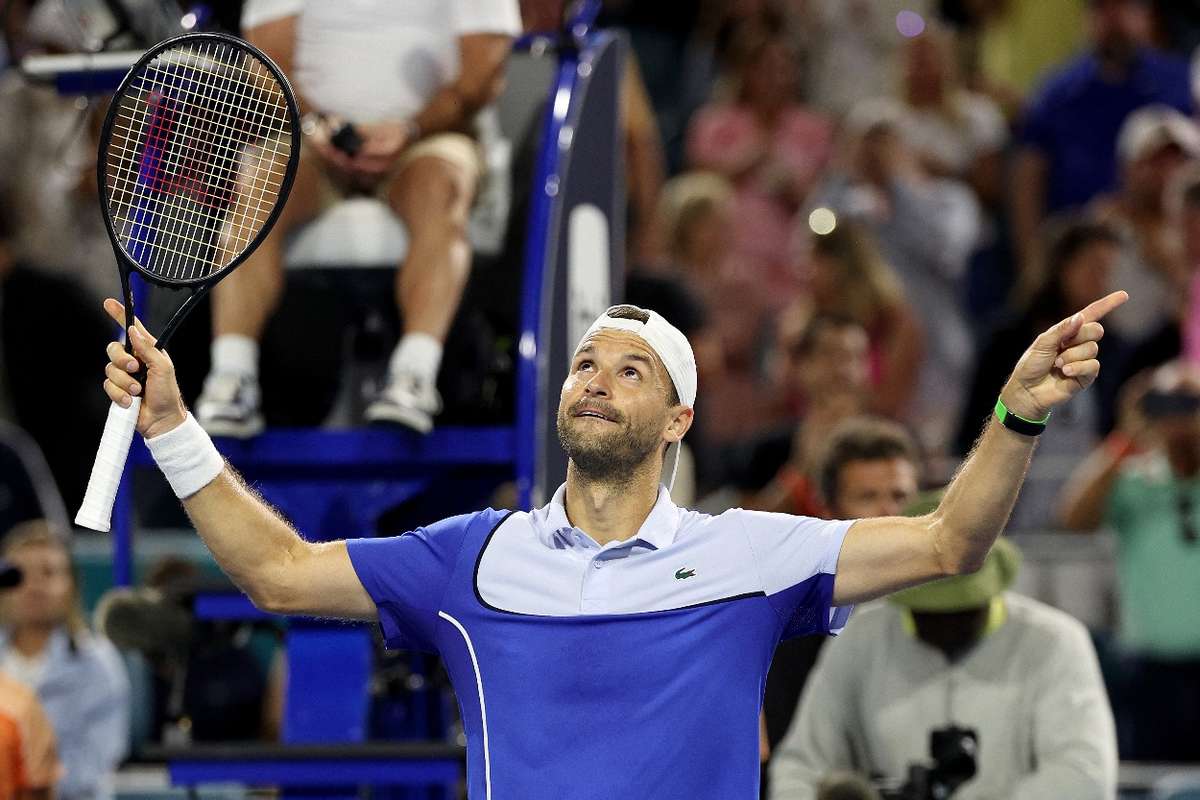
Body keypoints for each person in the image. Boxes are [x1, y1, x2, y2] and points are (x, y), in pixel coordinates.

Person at [97, 284, 1126, 797]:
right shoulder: (472, 555)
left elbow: (950, 539)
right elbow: (276, 574)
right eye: (586, 362)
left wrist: (1019, 411)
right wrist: (174, 431)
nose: (594, 377)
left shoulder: (753, 554)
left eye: (630, 369)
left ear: (678, 419)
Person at [196, 0, 521, 437]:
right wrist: (318, 126)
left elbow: (484, 70)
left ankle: (413, 377)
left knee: (442, 184)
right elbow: (266, 60)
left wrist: (410, 129)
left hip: (429, 139)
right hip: (314, 141)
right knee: (257, 181)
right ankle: (232, 378)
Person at [767, 538, 1118, 799]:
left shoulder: (1055, 640)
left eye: (962, 608)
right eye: (932, 612)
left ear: (990, 592)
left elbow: (1083, 776)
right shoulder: (860, 638)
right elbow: (799, 767)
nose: (948, 623)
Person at [761, 417, 922, 786]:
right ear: (827, 511)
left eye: (900, 496)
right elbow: (789, 759)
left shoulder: (957, 609)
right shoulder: (792, 627)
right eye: (867, 497)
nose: (889, 513)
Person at [1058, 360, 1200, 761]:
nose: (1179, 417)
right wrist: (1126, 437)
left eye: (1189, 404)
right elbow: (1073, 518)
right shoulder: (1133, 478)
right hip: (1150, 672)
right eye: (1165, 404)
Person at [956, 218, 1126, 529]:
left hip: (1085, 515)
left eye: (1108, 271)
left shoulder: (1114, 350)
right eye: (1093, 267)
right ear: (1060, 267)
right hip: (1010, 511)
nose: (1101, 280)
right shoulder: (1006, 343)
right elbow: (974, 426)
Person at [1011, 0, 1191, 272]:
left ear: (1147, 15)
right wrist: (1032, 260)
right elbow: (1028, 172)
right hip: (1076, 248)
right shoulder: (1058, 91)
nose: (1114, 20)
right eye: (1103, 8)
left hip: (1167, 243)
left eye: (1124, 7)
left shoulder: (1179, 81)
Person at [0, 520, 130, 800]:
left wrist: (26, 781)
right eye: (19, 575)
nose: (33, 586)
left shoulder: (97, 663)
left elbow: (96, 763)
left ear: (70, 584)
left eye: (48, 573)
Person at [1092, 105, 1199, 341]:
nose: (1168, 172)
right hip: (1111, 355)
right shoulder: (1099, 229)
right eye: (1155, 161)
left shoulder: (1192, 229)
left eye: (1178, 160)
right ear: (1127, 167)